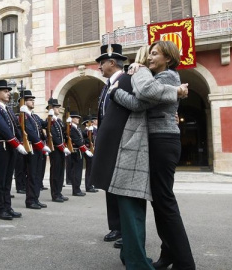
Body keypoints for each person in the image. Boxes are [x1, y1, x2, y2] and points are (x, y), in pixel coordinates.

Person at [112, 41, 195, 270]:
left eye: (155, 54)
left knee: (165, 203)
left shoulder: (167, 77)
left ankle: (185, 263)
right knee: (160, 202)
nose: (149, 58)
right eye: (148, 55)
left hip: (163, 141)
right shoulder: (163, 78)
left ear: (168, 58)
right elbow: (142, 99)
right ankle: (168, 254)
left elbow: (141, 97)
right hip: (159, 141)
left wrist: (124, 84)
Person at [90, 43, 131, 246]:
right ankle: (116, 226)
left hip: (120, 142)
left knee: (119, 187)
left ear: (112, 62)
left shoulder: (126, 80)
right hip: (108, 143)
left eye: (102, 62)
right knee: (110, 185)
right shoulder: (108, 86)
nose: (99, 66)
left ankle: (124, 229)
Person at [0, 79, 27, 220]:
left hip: (11, 146)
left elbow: (15, 127)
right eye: (5, 91)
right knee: (0, 178)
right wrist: (16, 143)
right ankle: (0, 209)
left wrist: (20, 141)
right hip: (2, 145)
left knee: (8, 178)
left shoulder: (8, 108)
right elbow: (1, 126)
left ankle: (7, 206)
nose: (8, 94)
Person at [19, 90, 51, 209]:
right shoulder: (23, 115)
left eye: (33, 100)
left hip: (38, 149)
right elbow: (30, 132)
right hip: (32, 147)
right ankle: (30, 200)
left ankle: (36, 198)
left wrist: (50, 116)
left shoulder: (34, 116)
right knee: (32, 175)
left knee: (38, 175)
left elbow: (44, 125)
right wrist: (41, 144)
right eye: (30, 100)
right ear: (24, 102)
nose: (33, 101)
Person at [46, 98, 71, 202]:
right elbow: (53, 136)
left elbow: (64, 134)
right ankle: (55, 194)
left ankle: (59, 192)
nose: (58, 109)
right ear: (51, 108)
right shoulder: (50, 120)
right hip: (55, 149)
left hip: (61, 150)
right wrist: (62, 147)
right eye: (56, 107)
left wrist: (68, 125)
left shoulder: (59, 121)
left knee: (61, 171)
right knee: (55, 172)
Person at [65, 112, 93, 196]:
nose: (78, 119)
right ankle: (76, 190)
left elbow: (83, 136)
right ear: (72, 119)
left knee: (78, 171)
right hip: (76, 151)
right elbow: (77, 140)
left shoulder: (78, 128)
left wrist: (88, 130)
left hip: (79, 151)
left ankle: (78, 188)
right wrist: (85, 150)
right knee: (76, 171)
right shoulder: (70, 128)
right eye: (76, 118)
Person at [81, 116, 98, 193]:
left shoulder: (91, 131)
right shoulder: (85, 131)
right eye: (89, 122)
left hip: (92, 150)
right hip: (88, 151)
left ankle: (91, 185)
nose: (91, 123)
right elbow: (85, 139)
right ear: (87, 124)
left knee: (91, 169)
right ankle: (88, 186)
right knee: (89, 169)